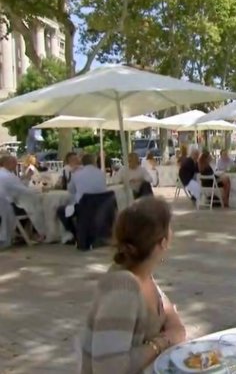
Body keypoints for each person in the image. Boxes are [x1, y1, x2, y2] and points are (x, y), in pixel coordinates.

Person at [78, 197, 186, 373]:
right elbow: (108, 368)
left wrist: (172, 330)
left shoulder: (143, 274)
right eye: (169, 227)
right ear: (163, 242)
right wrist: (162, 342)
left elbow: (170, 316)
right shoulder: (123, 288)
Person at [57, 154, 108, 244]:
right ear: (94, 162)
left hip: (84, 206)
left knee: (61, 210)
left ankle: (75, 234)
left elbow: (71, 190)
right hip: (102, 205)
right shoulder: (101, 173)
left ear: (82, 162)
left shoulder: (77, 174)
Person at [0, 155, 46, 242]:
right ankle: (40, 233)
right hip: (8, 207)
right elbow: (23, 191)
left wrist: (26, 179)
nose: (16, 165)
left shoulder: (5, 174)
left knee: (29, 205)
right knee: (37, 208)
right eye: (14, 163)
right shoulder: (8, 176)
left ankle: (21, 233)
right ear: (8, 164)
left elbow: (17, 187)